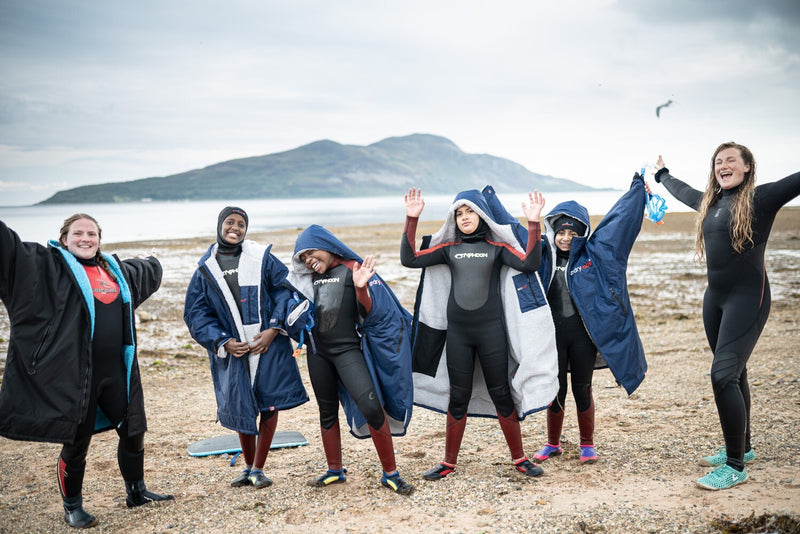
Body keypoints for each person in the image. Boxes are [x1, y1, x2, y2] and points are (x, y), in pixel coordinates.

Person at [0, 214, 173, 529]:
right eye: (77, 233)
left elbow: (144, 272)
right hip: (76, 376)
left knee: (134, 432)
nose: (85, 238)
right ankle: (72, 507)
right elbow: (9, 251)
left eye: (91, 233)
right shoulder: (49, 268)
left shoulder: (114, 271)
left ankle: (137, 492)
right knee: (77, 442)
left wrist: (154, 260)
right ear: (64, 239)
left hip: (117, 371)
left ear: (99, 239)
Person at [653, 143, 800, 490]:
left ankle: (734, 466)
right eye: (718, 161)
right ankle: (743, 448)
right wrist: (662, 176)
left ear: (747, 167)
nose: (723, 165)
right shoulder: (711, 202)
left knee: (722, 375)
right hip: (715, 300)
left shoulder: (762, 198)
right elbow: (684, 191)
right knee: (735, 372)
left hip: (748, 299)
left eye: (731, 160)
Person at [401, 187, 558, 481]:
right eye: (458, 214)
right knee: (457, 397)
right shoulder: (448, 250)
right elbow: (409, 259)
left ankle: (520, 459)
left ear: (482, 215)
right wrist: (412, 218)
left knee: (501, 394)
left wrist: (533, 223)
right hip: (458, 335)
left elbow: (530, 263)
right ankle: (448, 463)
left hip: (491, 333)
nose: (464, 218)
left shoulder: (497, 249)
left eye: (469, 211)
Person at [526, 174, 648, 465]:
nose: (566, 237)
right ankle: (552, 443)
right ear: (552, 231)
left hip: (582, 338)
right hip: (552, 337)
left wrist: (637, 190)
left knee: (582, 387)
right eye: (561, 232)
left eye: (573, 232)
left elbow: (619, 224)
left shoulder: (592, 257)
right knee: (555, 389)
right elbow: (507, 235)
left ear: (582, 233)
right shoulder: (543, 255)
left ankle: (587, 444)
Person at [184, 207, 308, 489]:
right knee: (241, 405)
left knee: (270, 403)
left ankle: (258, 467)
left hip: (268, 346)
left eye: (241, 224)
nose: (235, 228)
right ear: (219, 225)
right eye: (230, 222)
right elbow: (196, 312)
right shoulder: (206, 268)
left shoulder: (260, 257)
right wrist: (222, 340)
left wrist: (274, 328)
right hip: (235, 350)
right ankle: (248, 467)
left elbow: (286, 291)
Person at [287, 225, 415, 495]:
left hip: (347, 350)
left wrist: (360, 289)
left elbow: (371, 311)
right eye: (302, 258)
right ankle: (335, 470)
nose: (308, 260)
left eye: (311, 253)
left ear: (327, 245)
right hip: (317, 352)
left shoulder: (352, 268)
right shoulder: (308, 279)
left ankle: (390, 473)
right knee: (326, 411)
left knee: (371, 407)